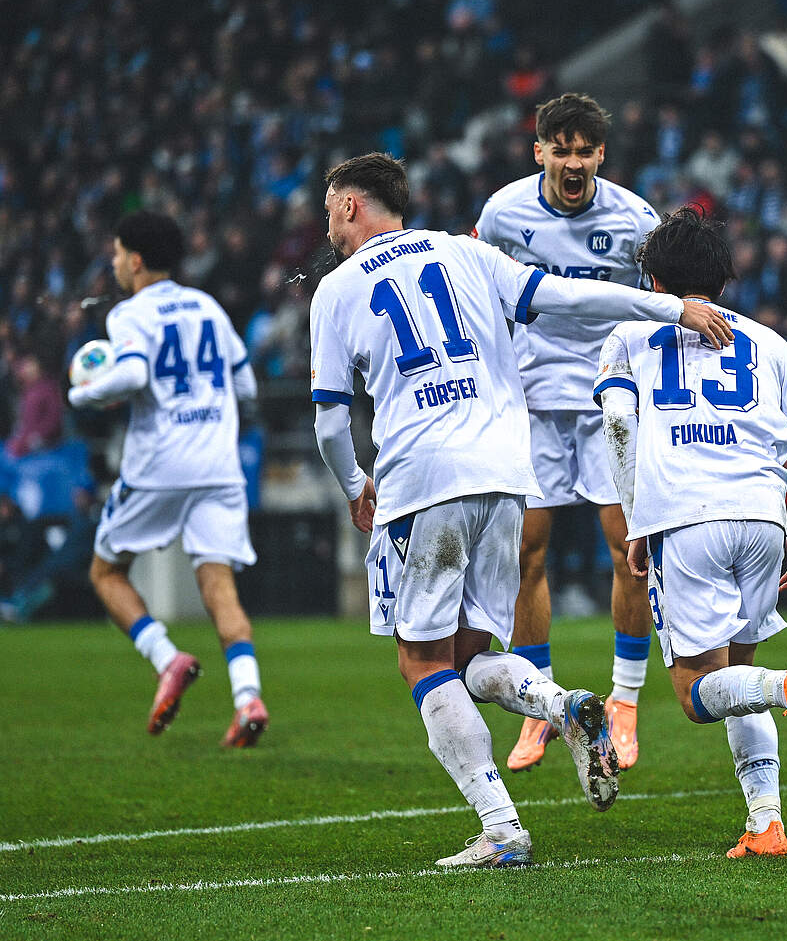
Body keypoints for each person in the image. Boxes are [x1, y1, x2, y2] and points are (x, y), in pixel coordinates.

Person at [309, 153, 731, 869]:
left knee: (420, 661)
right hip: (507, 475)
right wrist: (673, 307)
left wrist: (355, 485)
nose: (328, 229)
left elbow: (328, 422)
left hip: (423, 478)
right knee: (467, 656)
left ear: (350, 205)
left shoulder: (338, 288)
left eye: (329, 212)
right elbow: (570, 297)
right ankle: (564, 707)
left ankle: (501, 828)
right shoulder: (469, 253)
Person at [595, 207, 787, 858]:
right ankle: (766, 823)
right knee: (738, 676)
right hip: (762, 519)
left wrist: (637, 517)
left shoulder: (628, 336)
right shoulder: (769, 342)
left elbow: (617, 424)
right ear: (724, 280)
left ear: (653, 281)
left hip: (685, 519)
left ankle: (786, 689)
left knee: (697, 693)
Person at [472, 94, 661, 774]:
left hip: (611, 402)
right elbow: (475, 295)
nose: (573, 162)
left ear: (601, 155)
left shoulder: (636, 219)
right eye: (562, 149)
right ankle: (540, 706)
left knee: (629, 550)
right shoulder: (503, 213)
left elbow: (657, 305)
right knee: (525, 552)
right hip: (531, 403)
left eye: (585, 151)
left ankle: (625, 701)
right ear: (540, 152)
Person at [67, 210, 268, 747]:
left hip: (159, 464)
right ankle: (248, 698)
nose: (114, 264)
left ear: (135, 260)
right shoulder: (209, 307)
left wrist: (83, 394)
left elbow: (133, 374)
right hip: (218, 466)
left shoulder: (130, 314)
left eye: (116, 254)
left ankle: (166, 657)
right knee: (218, 585)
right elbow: (246, 387)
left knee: (106, 572)